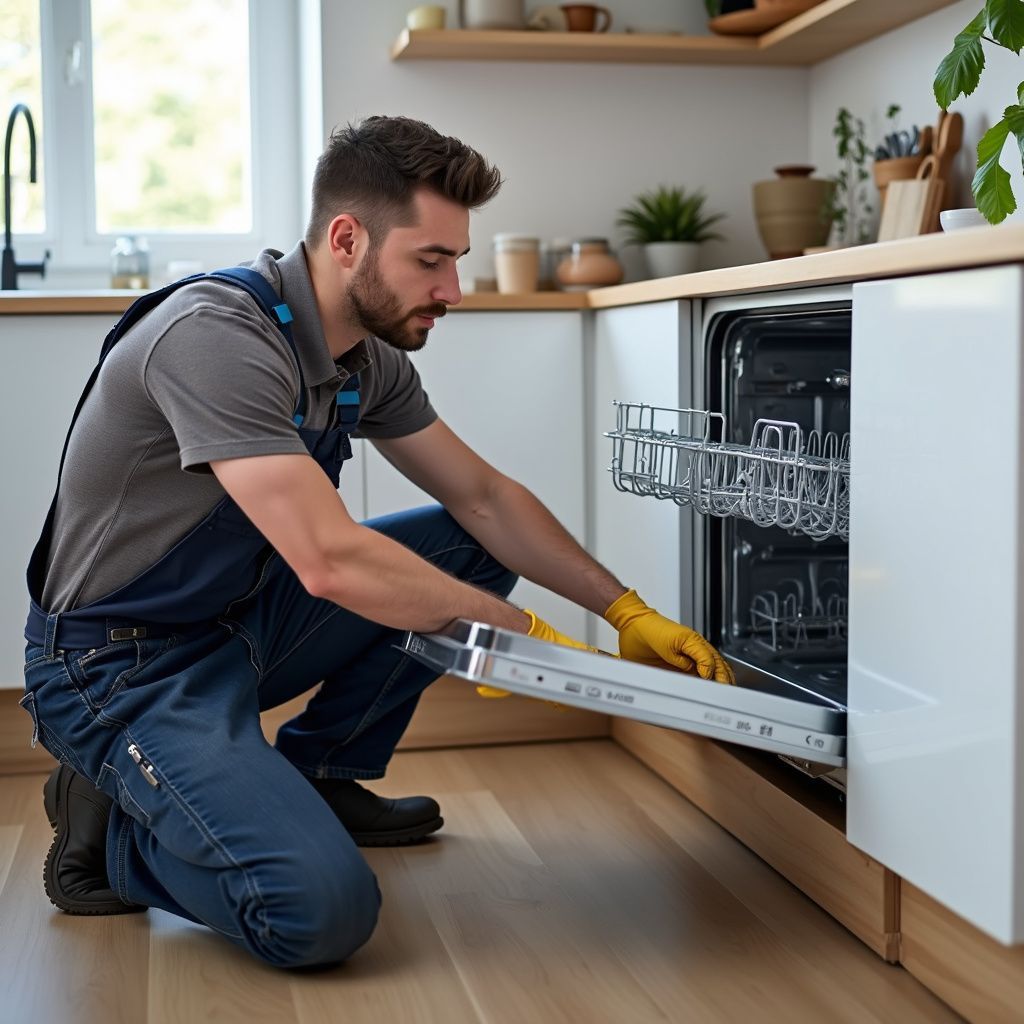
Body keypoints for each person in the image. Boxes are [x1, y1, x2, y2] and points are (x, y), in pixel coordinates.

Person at [22, 115, 733, 969]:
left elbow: (484, 498)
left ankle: (323, 776)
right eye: (431, 260)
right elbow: (328, 561)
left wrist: (624, 608)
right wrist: (515, 633)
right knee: (315, 914)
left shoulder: (363, 358)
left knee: (468, 545)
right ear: (348, 239)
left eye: (458, 259)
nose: (455, 289)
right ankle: (115, 836)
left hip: (237, 623)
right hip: (118, 667)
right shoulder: (216, 338)